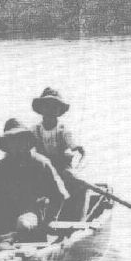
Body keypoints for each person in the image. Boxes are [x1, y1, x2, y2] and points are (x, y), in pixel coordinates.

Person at [0, 118, 69, 247]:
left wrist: (48, 222)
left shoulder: (41, 163)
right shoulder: (2, 165)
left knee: (23, 223)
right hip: (6, 212)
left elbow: (60, 195)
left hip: (31, 212)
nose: (16, 144)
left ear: (27, 141)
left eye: (19, 139)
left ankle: (19, 243)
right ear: (7, 144)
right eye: (11, 140)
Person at [31, 87, 86, 221]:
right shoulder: (35, 130)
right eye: (47, 106)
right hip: (43, 167)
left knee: (80, 186)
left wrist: (77, 149)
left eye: (54, 107)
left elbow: (75, 147)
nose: (50, 110)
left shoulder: (63, 130)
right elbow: (26, 146)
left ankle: (76, 219)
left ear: (59, 110)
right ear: (41, 109)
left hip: (61, 166)